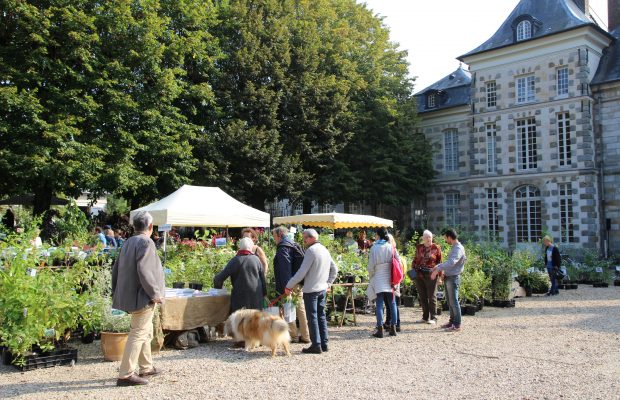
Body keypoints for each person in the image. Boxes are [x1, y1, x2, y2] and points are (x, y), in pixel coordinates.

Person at [112, 211, 165, 386]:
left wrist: (116, 291)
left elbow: (116, 268)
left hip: (131, 294)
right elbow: (145, 271)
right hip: (142, 296)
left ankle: (146, 367)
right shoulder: (146, 242)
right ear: (150, 227)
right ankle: (126, 374)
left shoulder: (128, 242)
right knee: (139, 332)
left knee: (144, 330)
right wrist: (155, 294)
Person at [285, 229, 338, 354]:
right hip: (322, 289)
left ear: (310, 238)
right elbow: (334, 269)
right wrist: (328, 283)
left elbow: (302, 272)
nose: (304, 241)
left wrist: (289, 286)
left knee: (312, 317)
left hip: (311, 290)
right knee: (321, 316)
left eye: (305, 238)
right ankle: (324, 343)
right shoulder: (324, 249)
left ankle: (316, 345)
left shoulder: (311, 251)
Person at [272, 226, 310, 344]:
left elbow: (285, 269)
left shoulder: (283, 248)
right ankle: (305, 335)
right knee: (301, 308)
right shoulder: (293, 244)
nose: (274, 239)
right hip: (298, 282)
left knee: (289, 309)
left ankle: (293, 335)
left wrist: (286, 287)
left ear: (279, 235)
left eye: (274, 236)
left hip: (290, 283)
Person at [214, 237, 267, 313]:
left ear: (240, 247)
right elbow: (262, 280)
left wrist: (218, 293)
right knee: (255, 323)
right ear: (251, 248)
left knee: (240, 323)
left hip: (240, 302)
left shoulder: (235, 260)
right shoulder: (256, 259)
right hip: (256, 300)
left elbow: (218, 279)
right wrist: (264, 294)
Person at [431, 229, 466, 332]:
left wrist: (438, 269)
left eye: (446, 238)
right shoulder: (455, 247)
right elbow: (449, 262)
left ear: (450, 237)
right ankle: (452, 321)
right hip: (449, 277)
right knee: (450, 301)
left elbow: (451, 262)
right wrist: (438, 266)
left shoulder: (458, 248)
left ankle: (457, 324)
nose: (445, 240)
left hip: (453, 278)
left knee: (454, 301)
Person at [366, 227, 398, 338]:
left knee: (379, 304)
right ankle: (393, 327)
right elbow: (397, 261)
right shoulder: (391, 247)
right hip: (390, 277)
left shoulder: (374, 248)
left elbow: (370, 266)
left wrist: (372, 277)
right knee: (392, 303)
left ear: (378, 235)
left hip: (379, 276)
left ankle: (380, 329)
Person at [413, 230, 442, 324]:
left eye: (430, 237)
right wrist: (413, 271)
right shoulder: (419, 247)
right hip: (419, 275)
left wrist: (440, 277)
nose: (429, 239)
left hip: (431, 275)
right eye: (427, 237)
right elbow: (415, 260)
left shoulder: (436, 248)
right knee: (422, 297)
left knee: (432, 296)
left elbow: (440, 263)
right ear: (423, 238)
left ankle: (433, 317)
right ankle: (425, 317)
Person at [383, 233, 403, 332]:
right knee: (388, 303)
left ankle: (396, 324)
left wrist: (397, 281)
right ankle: (389, 322)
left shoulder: (393, 251)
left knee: (393, 303)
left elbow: (399, 266)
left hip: (394, 280)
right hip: (390, 279)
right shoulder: (389, 251)